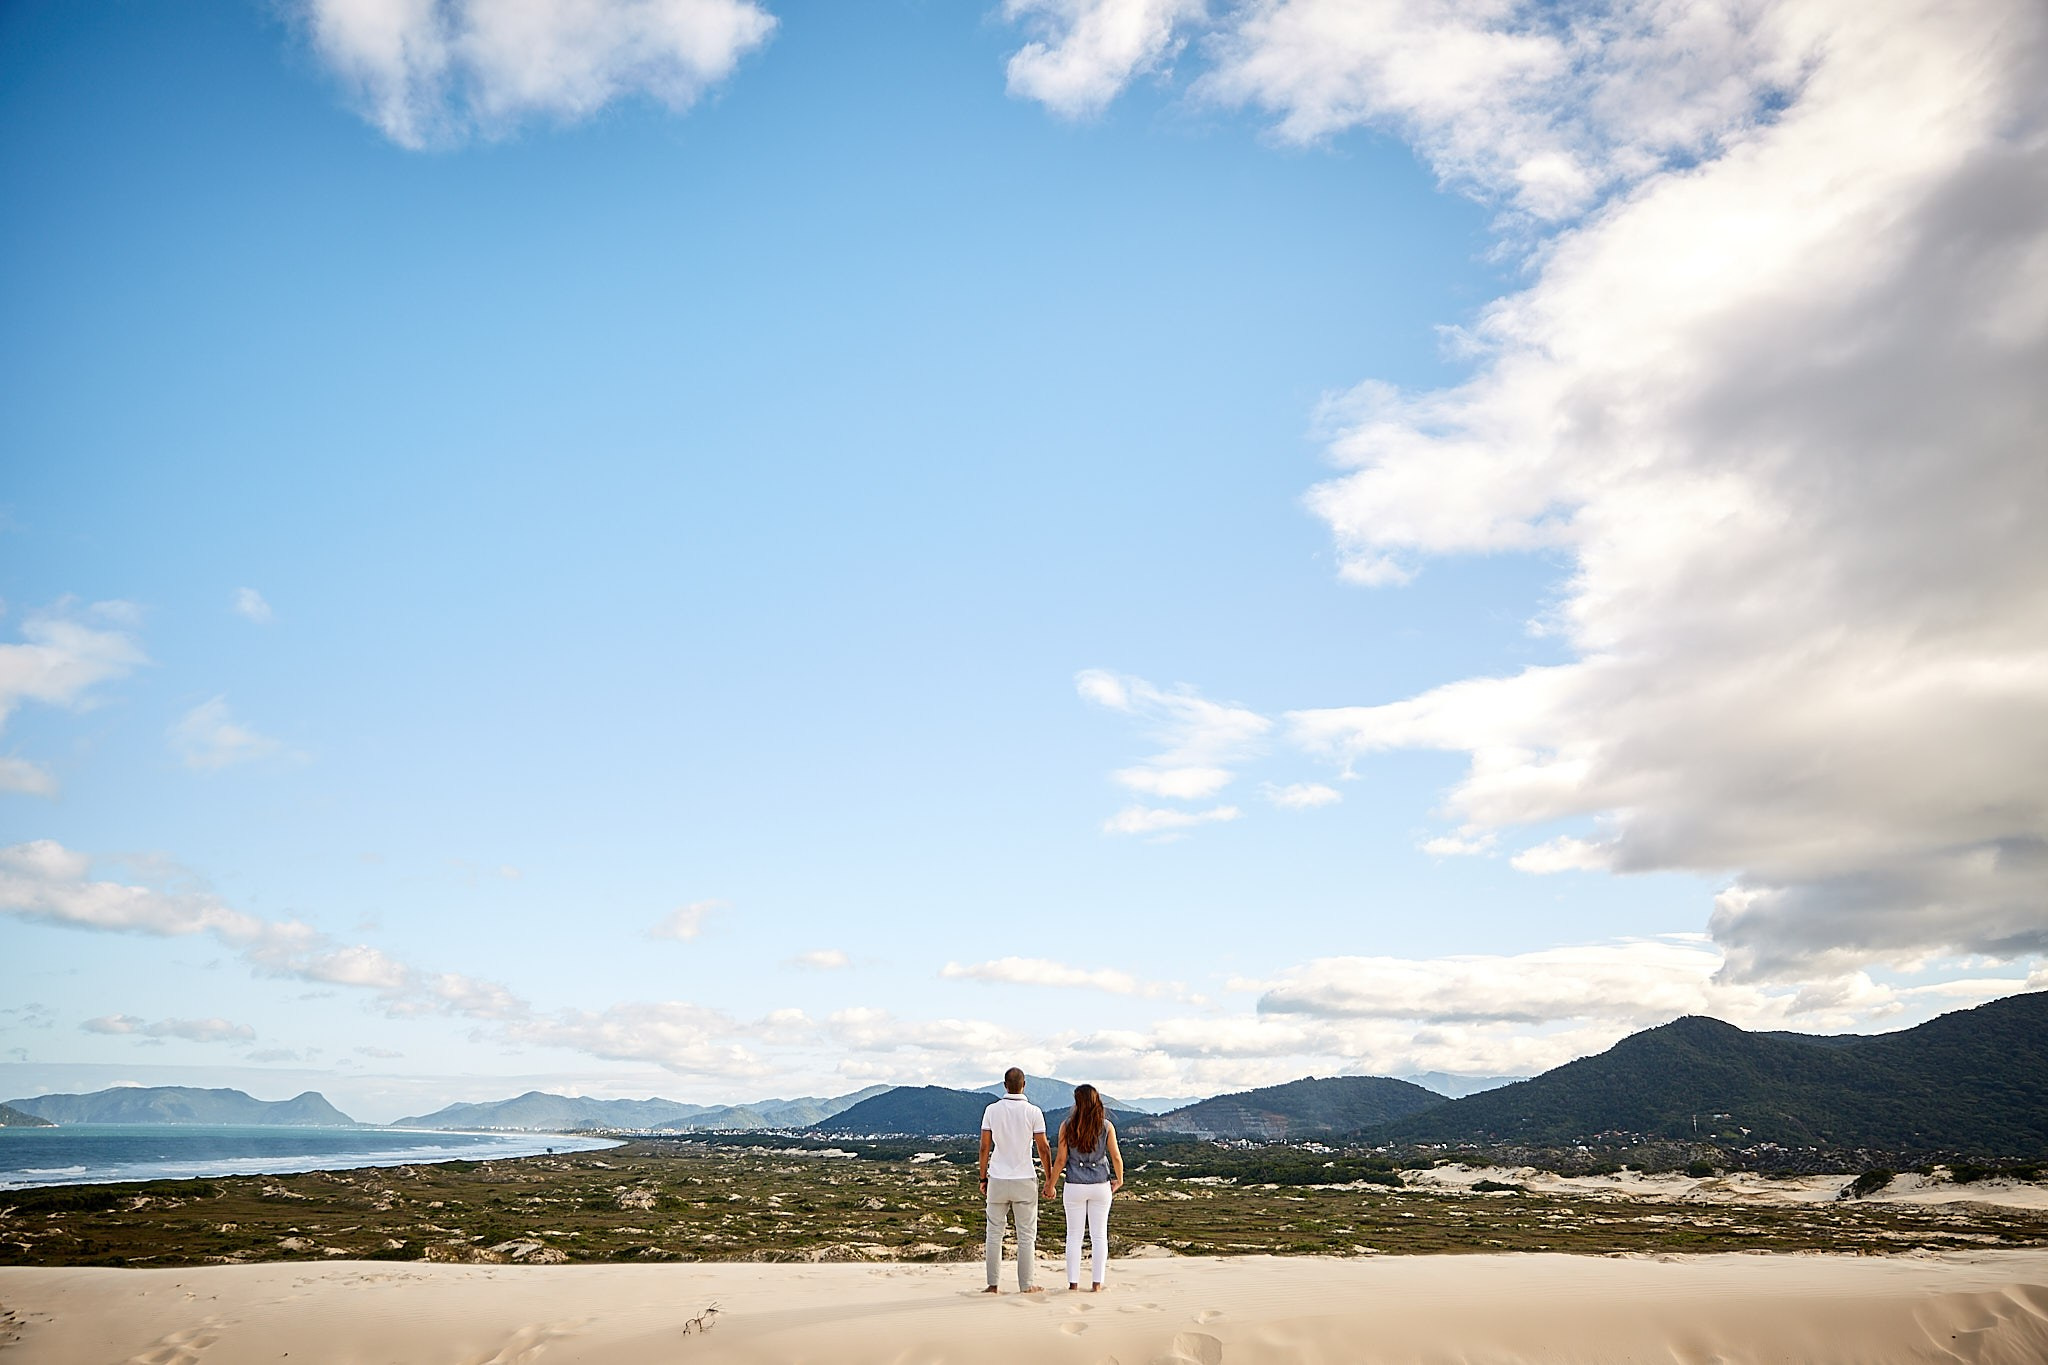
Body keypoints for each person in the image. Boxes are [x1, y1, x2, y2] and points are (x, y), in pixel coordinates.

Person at [1042, 1083, 1124, 1291]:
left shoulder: (1067, 1126)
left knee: (1074, 1236)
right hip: (1100, 1184)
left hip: (1074, 1185)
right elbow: (1115, 1156)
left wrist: (1050, 1184)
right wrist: (1120, 1179)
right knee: (1099, 1236)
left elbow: (1060, 1160)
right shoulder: (1106, 1127)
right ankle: (1097, 1284)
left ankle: (1073, 1284)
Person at [978, 1066, 1051, 1294]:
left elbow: (984, 1147)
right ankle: (1026, 1285)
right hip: (1024, 1178)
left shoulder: (991, 1110)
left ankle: (992, 1285)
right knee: (1026, 1236)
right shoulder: (1033, 1112)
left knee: (993, 1234)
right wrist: (1050, 1179)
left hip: (998, 1177)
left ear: (1004, 1085)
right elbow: (1043, 1147)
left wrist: (982, 1177)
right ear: (1024, 1084)